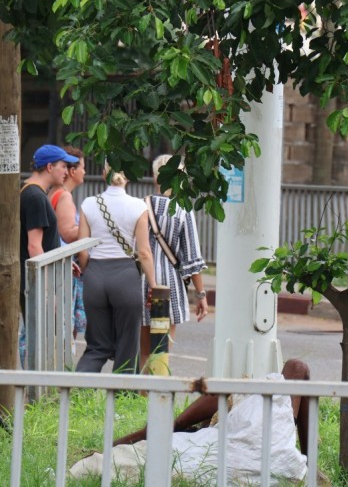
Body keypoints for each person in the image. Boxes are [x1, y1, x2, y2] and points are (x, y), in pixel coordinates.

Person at [70, 359, 311, 484]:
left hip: (263, 449)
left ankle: (165, 428)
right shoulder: (223, 426)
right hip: (276, 459)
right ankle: (311, 457)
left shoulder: (240, 409)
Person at [75, 165, 157, 374]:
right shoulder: (138, 206)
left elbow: (82, 250)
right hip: (125, 276)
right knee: (127, 346)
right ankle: (123, 393)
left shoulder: (88, 203)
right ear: (127, 176)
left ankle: (79, 390)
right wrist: (153, 285)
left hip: (95, 275)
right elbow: (144, 252)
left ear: (104, 174)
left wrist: (89, 272)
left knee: (97, 346)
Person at [140, 154, 209, 372]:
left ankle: (142, 389)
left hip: (143, 282)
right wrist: (201, 295)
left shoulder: (141, 206)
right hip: (170, 285)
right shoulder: (183, 209)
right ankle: (158, 387)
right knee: (162, 349)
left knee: (144, 350)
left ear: (155, 177)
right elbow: (192, 258)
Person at [20, 144, 80, 363]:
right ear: (49, 167)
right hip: (38, 283)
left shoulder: (30, 191)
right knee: (41, 339)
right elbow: (34, 246)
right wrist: (46, 290)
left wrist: (61, 258)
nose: (67, 172)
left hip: (39, 279)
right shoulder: (35, 196)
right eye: (63, 166)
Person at [47, 145, 87, 344]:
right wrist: (91, 227)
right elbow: (68, 233)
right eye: (82, 168)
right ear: (72, 171)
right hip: (64, 267)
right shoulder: (64, 195)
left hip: (60, 264)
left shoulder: (55, 192)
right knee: (63, 325)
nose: (84, 172)